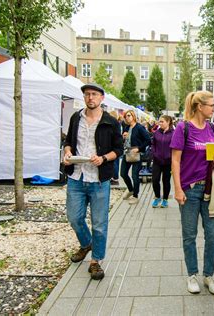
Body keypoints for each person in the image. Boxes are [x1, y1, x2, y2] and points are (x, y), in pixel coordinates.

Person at [63, 83, 123, 280]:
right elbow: (68, 142)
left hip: (98, 179)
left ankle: (96, 260)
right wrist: (68, 152)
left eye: (94, 94)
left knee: (99, 223)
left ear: (101, 98)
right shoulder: (75, 118)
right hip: (76, 177)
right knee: (74, 218)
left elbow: (119, 150)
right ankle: (86, 243)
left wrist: (104, 158)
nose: (90, 98)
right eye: (87, 94)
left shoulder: (111, 122)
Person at [171, 91, 214, 295]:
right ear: (199, 107)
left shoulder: (212, 128)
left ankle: (208, 275)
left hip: (210, 190)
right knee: (189, 235)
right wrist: (177, 189)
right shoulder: (183, 128)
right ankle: (192, 274)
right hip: (189, 190)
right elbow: (175, 160)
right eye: (211, 105)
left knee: (213, 236)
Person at [121, 110, 151, 204]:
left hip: (137, 154)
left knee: (135, 175)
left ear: (133, 116)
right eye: (125, 116)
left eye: (129, 115)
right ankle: (130, 190)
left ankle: (135, 196)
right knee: (123, 173)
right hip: (127, 153)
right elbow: (125, 141)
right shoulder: (126, 127)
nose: (127, 117)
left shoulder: (139, 127)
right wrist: (123, 137)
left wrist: (139, 148)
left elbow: (148, 140)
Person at [151, 115, 175, 208]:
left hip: (168, 162)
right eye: (159, 121)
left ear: (168, 122)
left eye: (162, 122)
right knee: (155, 180)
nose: (159, 123)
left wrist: (170, 156)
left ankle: (165, 199)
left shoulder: (173, 133)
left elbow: (175, 147)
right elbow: (153, 145)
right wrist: (154, 154)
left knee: (166, 181)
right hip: (157, 161)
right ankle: (157, 197)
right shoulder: (157, 133)